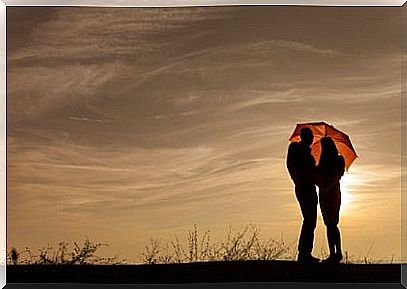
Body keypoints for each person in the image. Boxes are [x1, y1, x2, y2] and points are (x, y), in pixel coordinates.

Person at [286, 127, 319, 264]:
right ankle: (304, 253)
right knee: (309, 219)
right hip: (304, 187)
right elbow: (292, 166)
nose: (312, 139)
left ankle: (305, 252)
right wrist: (298, 180)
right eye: (310, 136)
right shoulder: (296, 149)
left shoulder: (307, 153)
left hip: (308, 187)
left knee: (310, 221)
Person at [316, 136, 345, 264]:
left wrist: (328, 187)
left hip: (333, 193)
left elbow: (338, 176)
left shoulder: (339, 159)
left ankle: (337, 252)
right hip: (323, 194)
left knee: (333, 223)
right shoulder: (321, 163)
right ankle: (333, 253)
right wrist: (322, 187)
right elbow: (317, 178)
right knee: (328, 224)